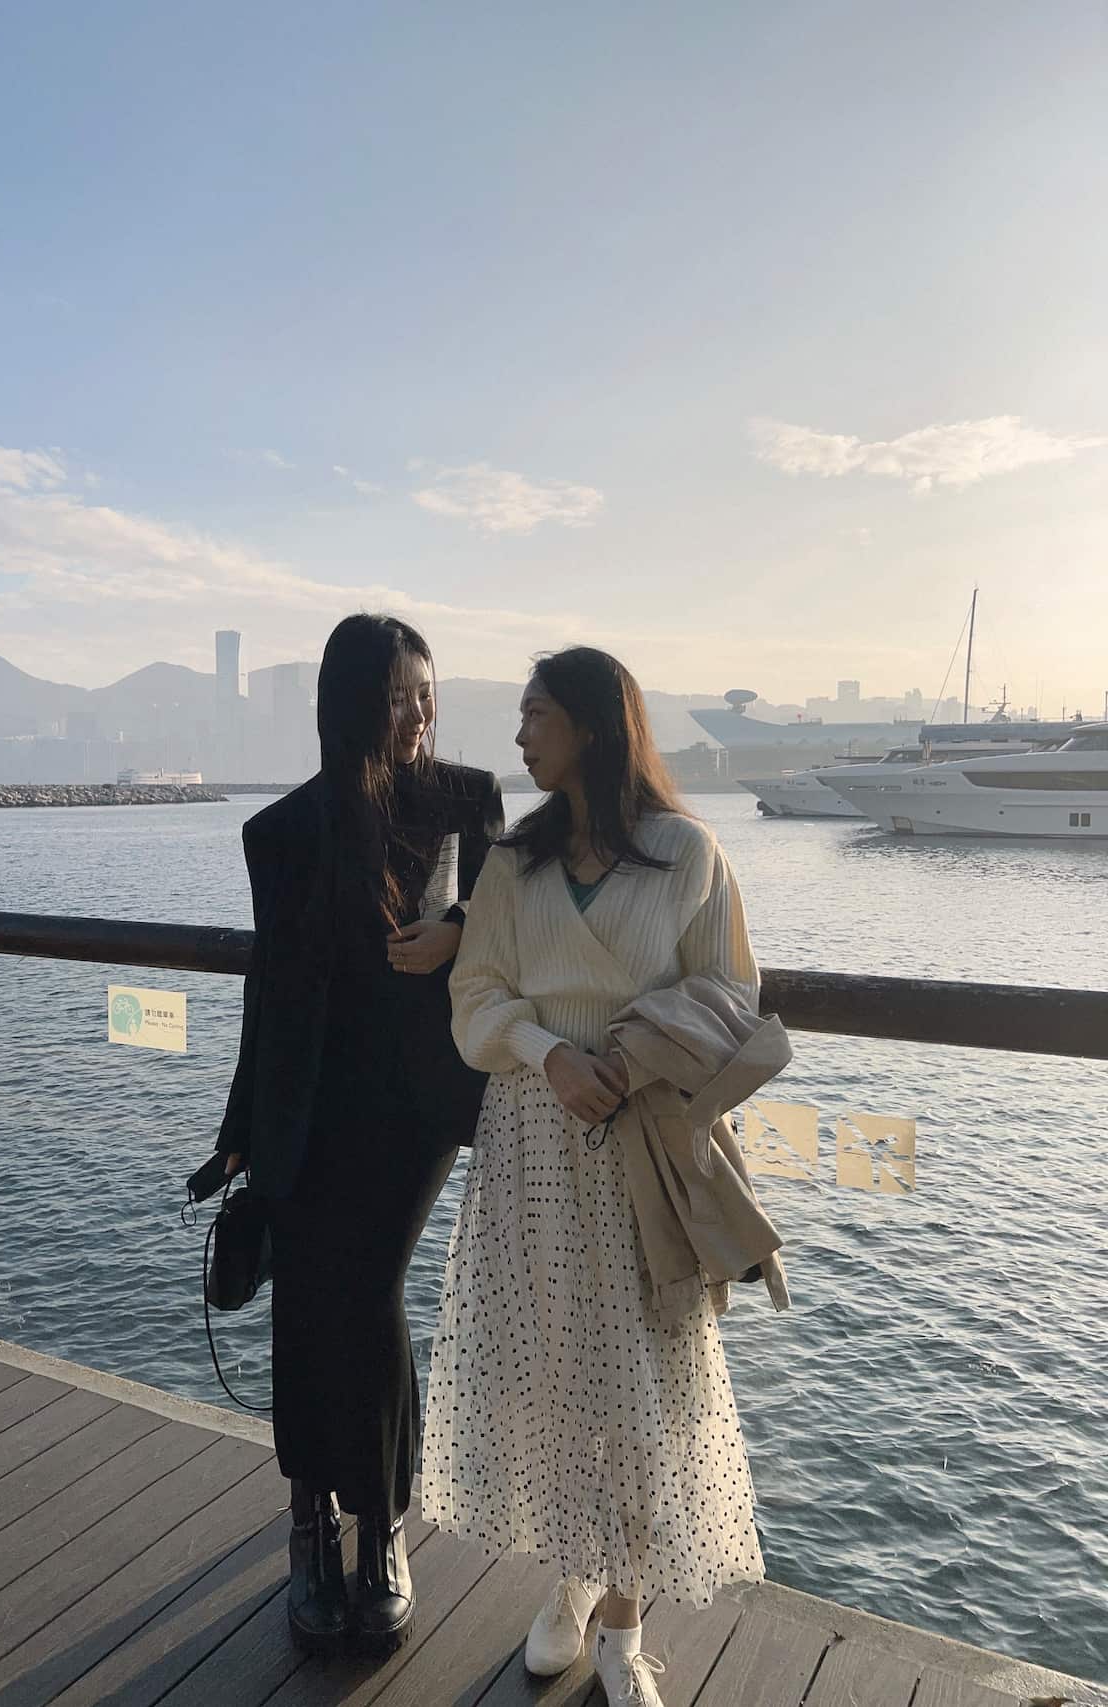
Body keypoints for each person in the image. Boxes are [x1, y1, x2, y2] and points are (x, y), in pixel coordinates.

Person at [422, 647, 783, 1707]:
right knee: (549, 1375)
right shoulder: (512, 864)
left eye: (534, 715)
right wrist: (549, 1054)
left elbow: (729, 991)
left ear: (589, 725)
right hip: (532, 1142)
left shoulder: (685, 853)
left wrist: (625, 1060)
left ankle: (622, 1617)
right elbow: (473, 996)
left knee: (640, 1386)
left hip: (640, 1146)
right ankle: (571, 1581)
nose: (520, 736)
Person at [216, 613, 503, 1654]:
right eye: (396, 697)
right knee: (303, 1301)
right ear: (351, 705)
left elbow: (515, 915)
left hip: (415, 1105)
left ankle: (380, 1525)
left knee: (369, 1294)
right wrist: (240, 1127)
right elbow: (268, 992)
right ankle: (307, 1526)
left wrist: (461, 932)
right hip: (305, 1103)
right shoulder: (281, 834)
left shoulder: (467, 801)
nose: (417, 716)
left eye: (425, 695)